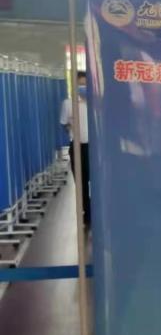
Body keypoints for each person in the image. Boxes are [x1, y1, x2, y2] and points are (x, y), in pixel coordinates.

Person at [60, 70, 90, 227]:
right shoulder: (68, 104)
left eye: (86, 84)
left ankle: (100, 211)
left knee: (98, 182)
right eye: (80, 85)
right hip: (78, 147)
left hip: (95, 148)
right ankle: (87, 213)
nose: (83, 88)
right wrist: (73, 130)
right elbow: (64, 123)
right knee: (81, 182)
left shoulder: (96, 102)